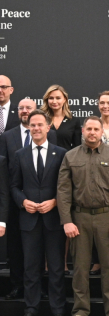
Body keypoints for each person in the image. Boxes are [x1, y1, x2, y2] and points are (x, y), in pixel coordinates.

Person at [58, 116, 109, 316]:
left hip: (107, 218)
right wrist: (67, 221)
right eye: (88, 129)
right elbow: (63, 192)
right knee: (80, 268)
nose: (92, 132)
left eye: (96, 129)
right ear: (83, 131)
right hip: (79, 218)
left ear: (101, 132)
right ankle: (80, 312)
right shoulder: (70, 156)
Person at [12, 111, 65, 316]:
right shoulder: (20, 154)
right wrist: (23, 201)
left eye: (40, 125)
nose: (36, 128)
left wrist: (55, 202)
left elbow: (66, 186)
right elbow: (14, 186)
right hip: (29, 219)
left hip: (53, 219)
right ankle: (31, 309)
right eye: (32, 125)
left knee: (56, 268)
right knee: (31, 267)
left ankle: (58, 311)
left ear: (48, 127)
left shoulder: (61, 154)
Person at [1, 98, 55, 300]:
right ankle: (17, 286)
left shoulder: (50, 135)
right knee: (15, 247)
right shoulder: (7, 136)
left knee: (38, 249)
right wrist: (18, 199)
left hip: (41, 204)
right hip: (15, 201)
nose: (24, 111)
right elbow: (4, 169)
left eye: (29, 108)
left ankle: (38, 287)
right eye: (21, 108)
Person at [43, 84, 81, 149]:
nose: (54, 101)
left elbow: (77, 147)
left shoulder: (73, 121)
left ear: (64, 99)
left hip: (67, 155)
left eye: (58, 98)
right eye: (51, 98)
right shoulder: (42, 119)